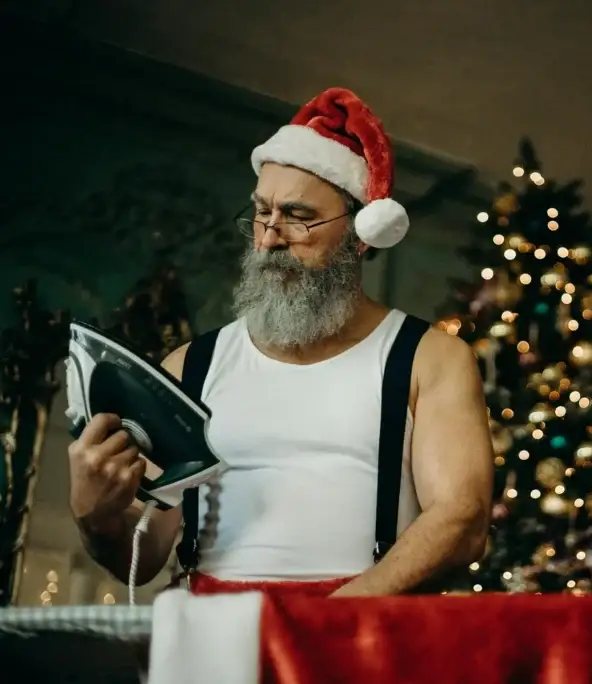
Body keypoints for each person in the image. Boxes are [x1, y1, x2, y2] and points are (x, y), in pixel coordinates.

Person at [67, 87, 494, 598]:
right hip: (212, 632)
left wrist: (324, 624)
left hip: (361, 630)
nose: (269, 239)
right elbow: (142, 562)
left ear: (361, 233)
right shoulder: (192, 366)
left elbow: (461, 521)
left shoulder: (428, 358)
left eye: (296, 216)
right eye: (261, 213)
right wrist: (97, 517)